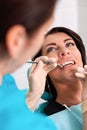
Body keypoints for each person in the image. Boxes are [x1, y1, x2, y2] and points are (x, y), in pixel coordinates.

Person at [0, 0, 58, 130]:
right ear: (16, 40)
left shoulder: (6, 82)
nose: (65, 52)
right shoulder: (38, 125)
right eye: (43, 32)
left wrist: (34, 93)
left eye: (70, 44)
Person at [26, 27, 87, 130]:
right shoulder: (42, 120)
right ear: (43, 67)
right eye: (51, 49)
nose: (65, 51)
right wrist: (33, 94)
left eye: (69, 44)